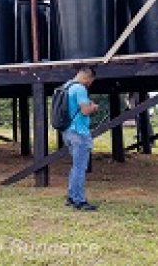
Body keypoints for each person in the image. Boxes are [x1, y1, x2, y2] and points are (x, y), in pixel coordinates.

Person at [61, 66, 99, 211]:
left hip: (68, 131)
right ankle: (79, 200)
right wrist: (94, 107)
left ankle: (72, 196)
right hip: (79, 132)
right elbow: (85, 110)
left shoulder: (66, 86)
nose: (90, 84)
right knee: (80, 167)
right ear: (87, 77)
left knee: (76, 166)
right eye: (91, 81)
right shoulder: (80, 89)